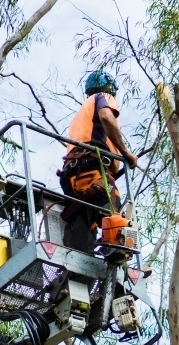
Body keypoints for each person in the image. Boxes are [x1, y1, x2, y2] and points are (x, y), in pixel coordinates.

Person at [58, 70, 138, 254]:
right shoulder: (102, 97)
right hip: (91, 172)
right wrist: (126, 153)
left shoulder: (81, 115)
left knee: (82, 242)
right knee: (113, 213)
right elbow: (107, 118)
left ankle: (77, 271)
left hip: (72, 178)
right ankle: (119, 252)